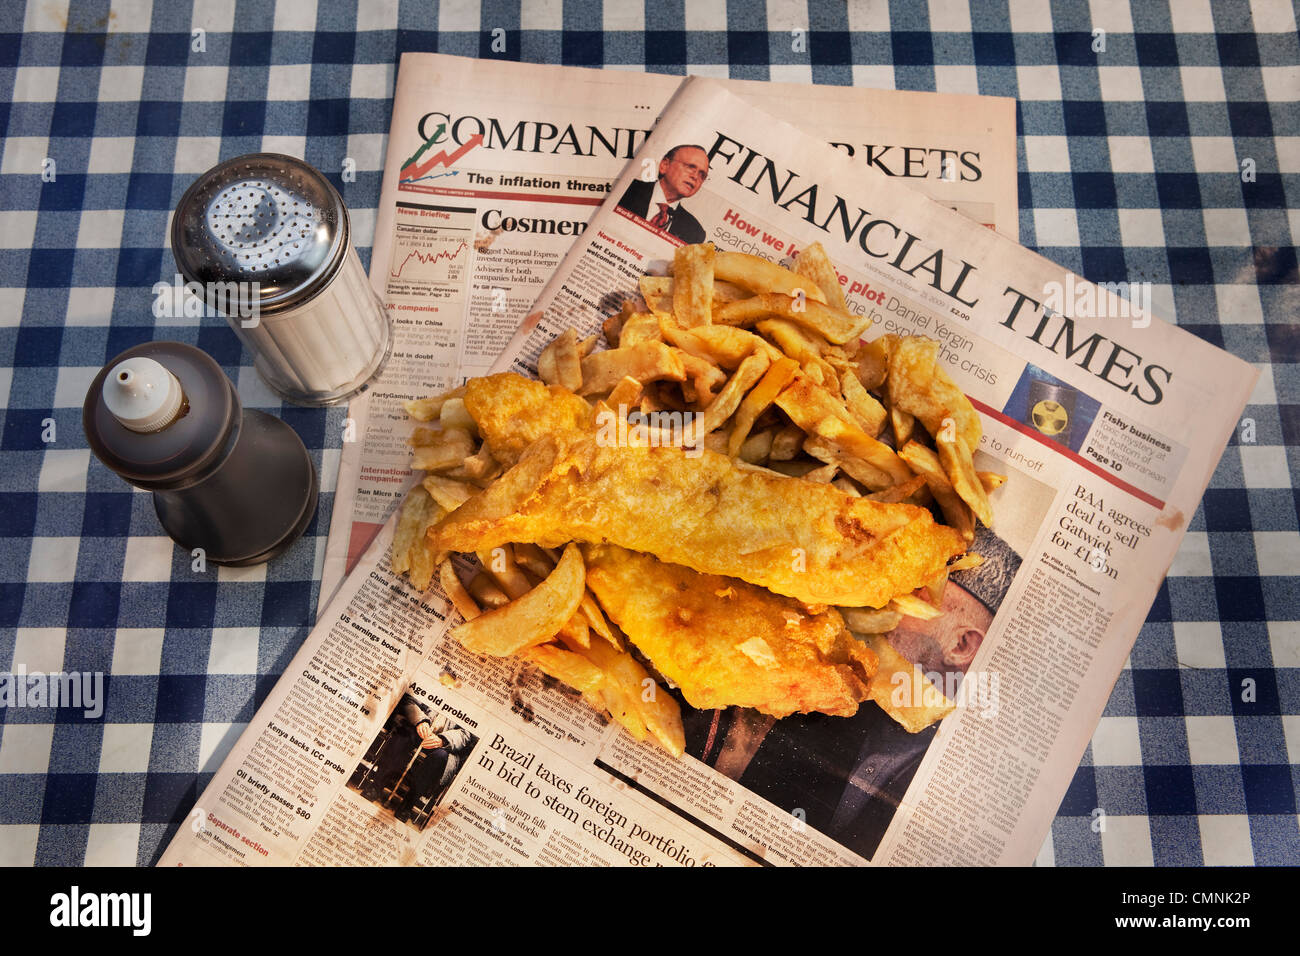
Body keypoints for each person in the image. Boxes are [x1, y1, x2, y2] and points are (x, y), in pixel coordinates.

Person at [683, 526, 1022, 861]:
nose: (884, 598)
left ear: (962, 645)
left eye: (916, 594)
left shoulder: (965, 782)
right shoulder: (837, 680)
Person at [361, 693, 474, 824]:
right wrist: (420, 720)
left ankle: (408, 805)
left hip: (444, 745)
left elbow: (466, 734)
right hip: (417, 727)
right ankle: (376, 786)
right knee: (404, 735)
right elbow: (409, 700)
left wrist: (443, 740)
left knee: (440, 757)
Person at [616, 144, 709, 243]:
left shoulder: (695, 232)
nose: (695, 177)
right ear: (664, 165)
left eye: (702, 175)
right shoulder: (625, 189)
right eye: (690, 167)